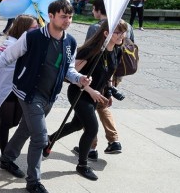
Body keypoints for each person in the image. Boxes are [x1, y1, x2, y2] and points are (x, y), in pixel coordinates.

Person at [0, 0, 91, 193]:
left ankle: (7, 158)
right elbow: (6, 58)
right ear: (51, 15)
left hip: (50, 96)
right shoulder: (32, 37)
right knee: (39, 137)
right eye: (63, 16)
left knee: (26, 129)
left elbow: (69, 70)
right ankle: (34, 182)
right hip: (28, 94)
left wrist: (79, 79)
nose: (67, 21)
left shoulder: (70, 42)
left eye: (70, 17)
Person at [45, 20, 128, 181]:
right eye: (117, 32)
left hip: (96, 95)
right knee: (91, 129)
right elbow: (71, 74)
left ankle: (49, 139)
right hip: (80, 93)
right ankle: (82, 164)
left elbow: (109, 72)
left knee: (77, 124)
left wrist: (109, 90)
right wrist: (90, 90)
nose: (121, 35)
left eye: (123, 32)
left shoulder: (117, 50)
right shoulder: (91, 51)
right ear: (106, 33)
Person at [0, 15, 38, 154]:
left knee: (14, 122)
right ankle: (4, 157)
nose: (37, 30)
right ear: (24, 29)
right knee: (6, 124)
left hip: (19, 88)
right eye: (34, 27)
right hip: (5, 89)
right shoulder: (11, 44)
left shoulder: (27, 43)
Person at [84, 0, 125, 156]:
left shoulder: (96, 27)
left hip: (97, 76)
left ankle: (91, 148)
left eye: (94, 9)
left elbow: (87, 52)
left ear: (99, 10)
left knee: (89, 110)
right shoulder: (123, 24)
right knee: (103, 105)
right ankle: (114, 141)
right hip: (113, 73)